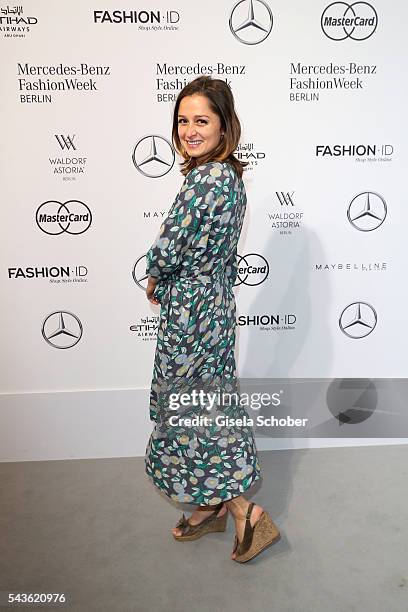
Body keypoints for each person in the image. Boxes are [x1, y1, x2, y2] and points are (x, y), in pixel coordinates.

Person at [144, 76, 280, 563]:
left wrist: (155, 275)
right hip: (213, 306)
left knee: (200, 411)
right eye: (183, 121)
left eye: (202, 121)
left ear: (225, 128)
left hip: (194, 314)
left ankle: (247, 514)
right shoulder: (226, 177)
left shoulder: (207, 179)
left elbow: (168, 247)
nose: (189, 130)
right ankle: (211, 505)